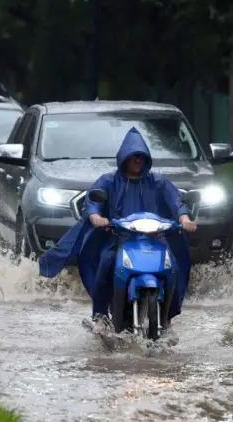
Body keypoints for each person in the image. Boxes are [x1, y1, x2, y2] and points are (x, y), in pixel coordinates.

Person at [38, 127, 197, 331]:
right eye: (133, 156)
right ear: (124, 158)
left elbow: (176, 202)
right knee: (106, 263)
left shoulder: (159, 182)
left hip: (155, 239)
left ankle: (167, 319)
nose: (138, 160)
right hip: (119, 240)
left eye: (141, 157)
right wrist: (96, 217)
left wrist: (184, 218)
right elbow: (93, 201)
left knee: (172, 267)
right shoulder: (109, 180)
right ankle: (100, 316)